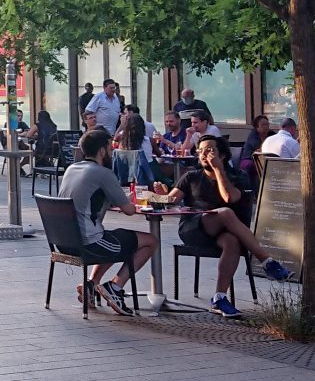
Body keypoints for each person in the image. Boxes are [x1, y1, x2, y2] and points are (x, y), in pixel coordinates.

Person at [153, 135, 292, 317]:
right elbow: (170, 202)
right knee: (225, 213)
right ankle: (267, 262)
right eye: (201, 150)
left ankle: (219, 298)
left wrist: (218, 170)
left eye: (210, 150)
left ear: (223, 156)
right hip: (193, 228)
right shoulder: (191, 176)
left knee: (232, 241)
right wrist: (162, 195)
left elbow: (230, 197)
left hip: (223, 232)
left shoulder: (238, 176)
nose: (204, 154)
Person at [56, 129, 158, 316]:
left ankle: (91, 285)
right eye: (111, 149)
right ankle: (115, 287)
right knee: (150, 241)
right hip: (88, 242)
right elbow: (129, 210)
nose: (112, 153)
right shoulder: (103, 173)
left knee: (115, 239)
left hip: (64, 242)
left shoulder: (72, 169)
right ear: (102, 151)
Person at [112, 111, 155, 186]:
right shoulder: (149, 140)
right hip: (147, 172)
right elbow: (159, 154)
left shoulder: (122, 139)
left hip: (126, 173)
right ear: (143, 126)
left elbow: (115, 139)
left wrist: (122, 126)